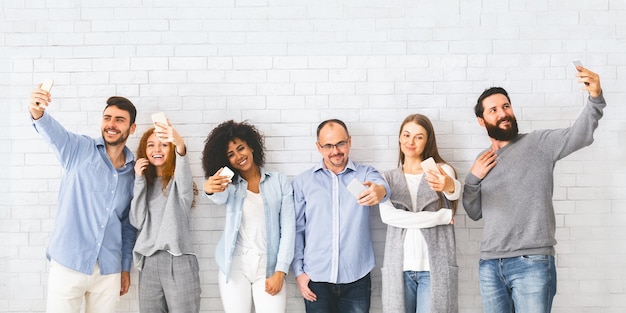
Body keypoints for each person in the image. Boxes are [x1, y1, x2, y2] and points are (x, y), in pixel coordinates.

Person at [462, 66, 605, 313]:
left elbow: (579, 135)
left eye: (506, 106)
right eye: (493, 110)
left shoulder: (538, 143)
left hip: (532, 263)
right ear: (481, 120)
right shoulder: (482, 160)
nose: (503, 113)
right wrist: (473, 179)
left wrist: (595, 98)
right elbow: (474, 212)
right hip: (490, 265)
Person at [28, 84, 137, 313]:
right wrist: (37, 111)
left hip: (109, 270)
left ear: (132, 128)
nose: (111, 124)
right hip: (69, 263)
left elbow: (128, 224)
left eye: (119, 120)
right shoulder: (78, 149)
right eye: (107, 117)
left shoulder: (134, 172)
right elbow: (51, 131)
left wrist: (125, 268)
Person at [292, 119, 391, 313]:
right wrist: (299, 272)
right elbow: (297, 229)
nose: (335, 151)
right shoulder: (303, 182)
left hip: (357, 278)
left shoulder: (365, 174)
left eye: (341, 143)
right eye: (328, 145)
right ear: (318, 147)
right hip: (316, 278)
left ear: (349, 141)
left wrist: (380, 191)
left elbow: (382, 187)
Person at [202, 120, 295, 313]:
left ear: (251, 147)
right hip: (236, 266)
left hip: (268, 267)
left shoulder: (279, 182)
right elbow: (219, 197)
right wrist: (209, 188)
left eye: (240, 148)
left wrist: (280, 271)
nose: (238, 156)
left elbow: (288, 229)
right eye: (231, 154)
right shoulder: (231, 185)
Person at [380, 114, 460, 313]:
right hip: (399, 269)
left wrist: (450, 186)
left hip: (435, 269)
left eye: (419, 137)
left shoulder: (441, 170)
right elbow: (388, 217)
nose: (411, 142)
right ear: (399, 138)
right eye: (406, 135)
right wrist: (440, 217)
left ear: (428, 140)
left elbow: (454, 192)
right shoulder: (387, 178)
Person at [129, 121, 201, 312]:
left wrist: (180, 145)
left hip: (178, 259)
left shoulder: (179, 184)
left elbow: (183, 174)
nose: (156, 149)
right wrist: (138, 179)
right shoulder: (145, 184)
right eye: (151, 145)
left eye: (163, 144)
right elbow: (136, 220)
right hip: (149, 261)